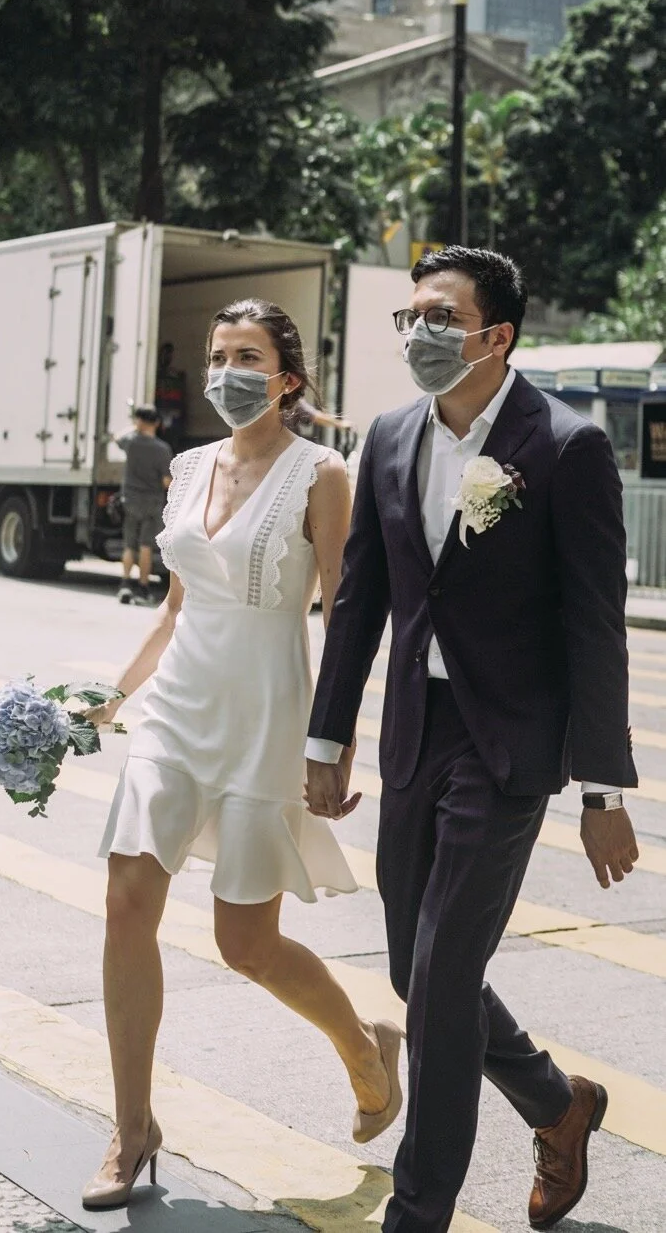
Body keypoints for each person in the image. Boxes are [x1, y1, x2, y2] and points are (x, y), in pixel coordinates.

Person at [305, 247, 640, 1233]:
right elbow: (360, 596)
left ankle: (419, 1214)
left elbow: (592, 625)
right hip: (416, 733)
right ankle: (555, 1101)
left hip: (504, 749)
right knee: (418, 972)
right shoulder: (392, 435)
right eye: (408, 317)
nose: (417, 333)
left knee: (440, 982)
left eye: (438, 317)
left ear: (495, 335)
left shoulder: (565, 447)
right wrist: (327, 738)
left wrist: (602, 792)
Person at [81, 299, 402, 1210]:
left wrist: (334, 743)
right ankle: (133, 1127)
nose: (228, 371)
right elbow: (175, 607)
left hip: (266, 715)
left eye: (248, 356)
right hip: (176, 713)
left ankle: (364, 1044)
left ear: (287, 379)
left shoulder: (321, 474)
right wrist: (113, 693)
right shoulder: (186, 468)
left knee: (245, 943)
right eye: (219, 355)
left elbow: (343, 612)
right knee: (123, 903)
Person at [116, 407, 173, 605]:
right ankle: (143, 587)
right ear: (157, 423)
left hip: (130, 500)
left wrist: (135, 426)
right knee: (146, 546)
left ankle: (125, 584)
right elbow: (167, 482)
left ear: (139, 421)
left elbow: (117, 437)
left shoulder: (130, 443)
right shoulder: (162, 449)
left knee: (129, 545)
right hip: (152, 502)